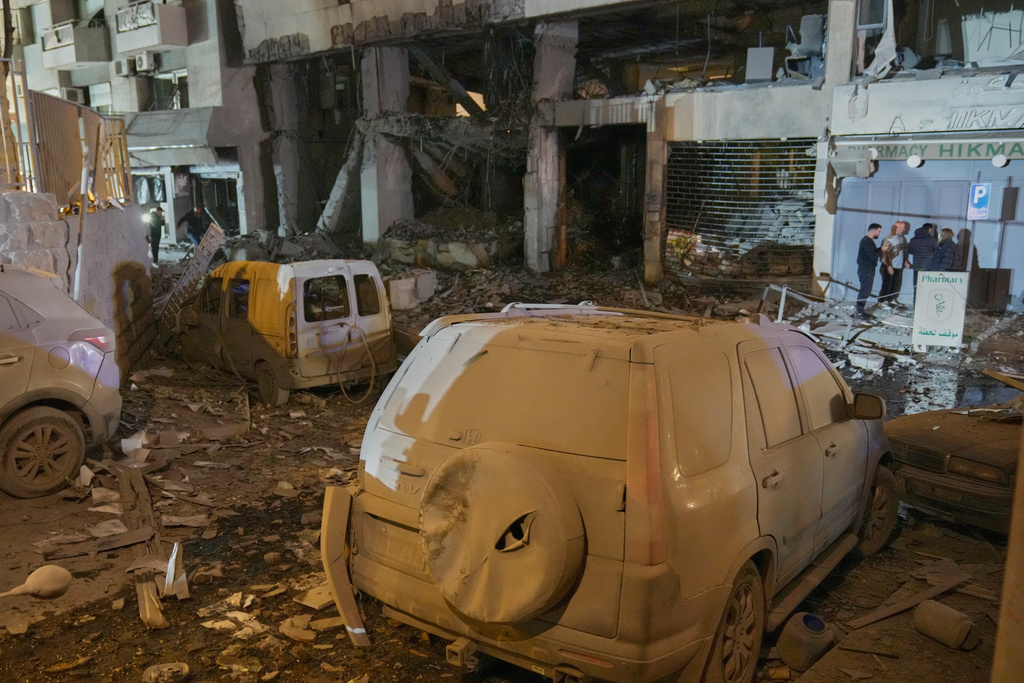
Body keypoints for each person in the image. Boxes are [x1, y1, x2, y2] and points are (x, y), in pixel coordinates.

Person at [878, 221, 909, 307]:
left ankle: (891, 300)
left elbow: (904, 250)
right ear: (897, 227)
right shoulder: (889, 238)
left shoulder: (901, 238)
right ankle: (882, 302)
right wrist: (889, 266)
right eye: (903, 227)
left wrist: (906, 261)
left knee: (896, 285)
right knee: (887, 284)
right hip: (889, 266)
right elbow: (884, 253)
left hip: (898, 266)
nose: (904, 229)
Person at [856, 223, 883, 320]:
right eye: (878, 231)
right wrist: (882, 250)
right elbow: (872, 256)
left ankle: (861, 311)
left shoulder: (867, 241)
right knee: (865, 291)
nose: (879, 234)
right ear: (873, 231)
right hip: (866, 270)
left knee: (866, 290)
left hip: (867, 269)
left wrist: (881, 249)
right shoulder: (867, 242)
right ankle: (859, 313)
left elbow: (872, 253)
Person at [908, 222, 937, 299]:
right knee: (927, 286)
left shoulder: (913, 240)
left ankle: (916, 302)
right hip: (928, 266)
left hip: (916, 266)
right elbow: (936, 251)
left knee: (916, 286)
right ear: (929, 230)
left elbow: (910, 251)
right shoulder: (932, 240)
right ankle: (925, 303)